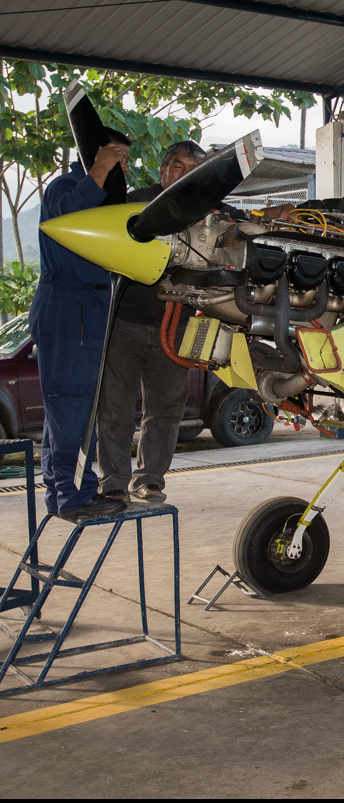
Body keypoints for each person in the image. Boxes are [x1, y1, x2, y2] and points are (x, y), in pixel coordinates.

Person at [97, 140, 205, 506]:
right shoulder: (134, 202)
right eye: (177, 166)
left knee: (166, 408)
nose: (183, 175)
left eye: (193, 170)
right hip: (125, 322)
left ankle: (150, 481)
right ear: (162, 169)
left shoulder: (208, 210)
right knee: (115, 407)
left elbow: (239, 231)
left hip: (176, 328)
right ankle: (113, 481)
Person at [33, 129, 131, 518]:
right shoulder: (67, 186)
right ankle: (73, 496)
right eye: (118, 156)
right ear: (98, 153)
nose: (124, 165)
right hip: (68, 306)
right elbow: (70, 217)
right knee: (71, 402)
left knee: (71, 407)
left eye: (126, 158)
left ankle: (66, 491)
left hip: (87, 308)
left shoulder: (109, 197)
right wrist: (98, 172)